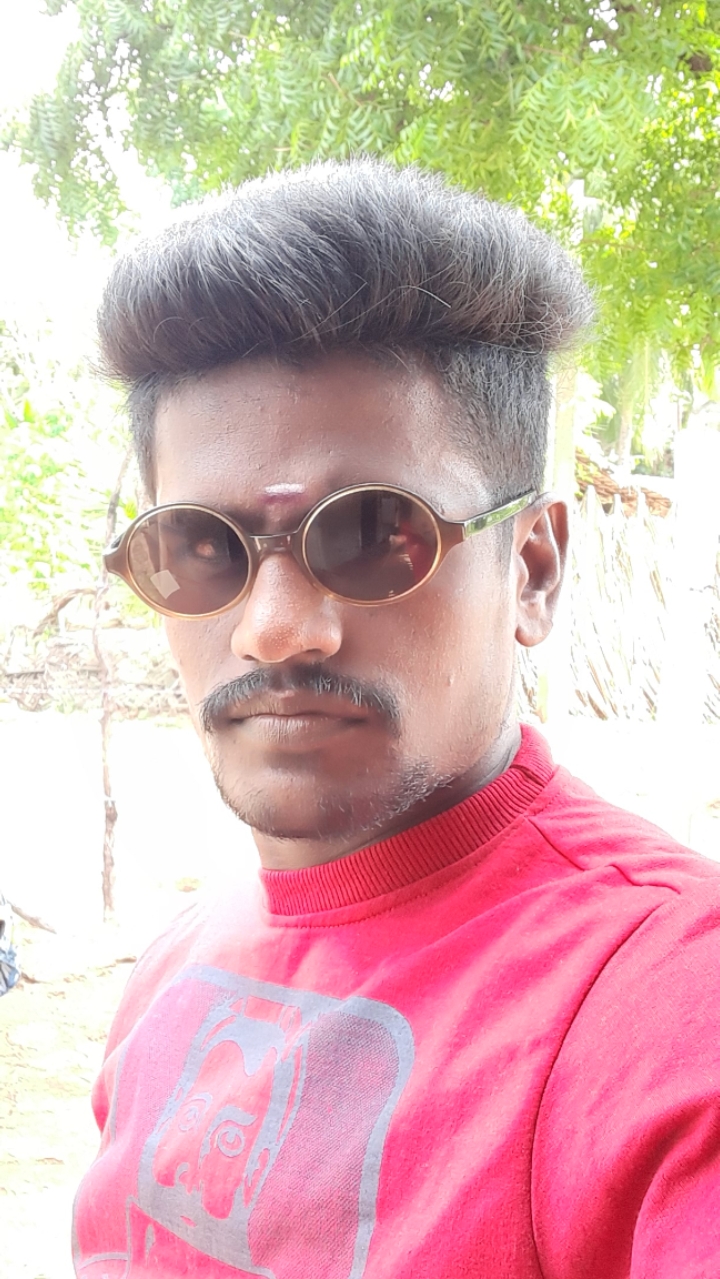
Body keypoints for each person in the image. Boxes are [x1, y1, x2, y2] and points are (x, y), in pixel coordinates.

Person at [73, 160, 720, 1279]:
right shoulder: (172, 974)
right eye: (201, 547)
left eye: (374, 533)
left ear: (532, 568)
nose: (277, 628)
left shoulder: (661, 1002)